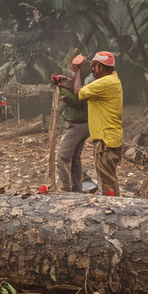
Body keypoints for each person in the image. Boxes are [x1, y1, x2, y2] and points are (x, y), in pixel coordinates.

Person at [74, 51, 123, 196]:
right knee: (109, 179)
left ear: (102, 67)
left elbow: (78, 92)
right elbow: (83, 88)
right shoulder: (110, 81)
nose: (92, 69)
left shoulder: (105, 83)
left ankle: (112, 206)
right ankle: (115, 203)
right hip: (108, 138)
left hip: (105, 140)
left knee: (107, 182)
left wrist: (77, 71)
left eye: (94, 65)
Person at [51, 55, 91, 192]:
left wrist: (62, 90)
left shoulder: (88, 80)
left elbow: (77, 100)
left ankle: (68, 188)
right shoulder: (83, 78)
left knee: (63, 157)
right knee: (75, 158)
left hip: (79, 125)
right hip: (83, 124)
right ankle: (76, 188)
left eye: (76, 66)